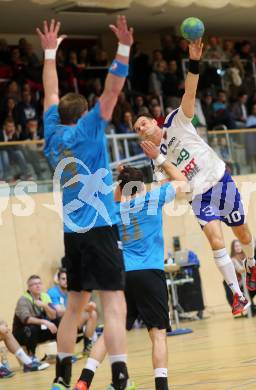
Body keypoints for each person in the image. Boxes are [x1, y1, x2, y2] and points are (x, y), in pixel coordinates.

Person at [37, 17, 135, 390]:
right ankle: (120, 377)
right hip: (100, 228)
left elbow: (50, 92)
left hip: (72, 233)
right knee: (114, 305)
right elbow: (111, 91)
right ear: (83, 116)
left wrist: (49, 53)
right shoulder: (87, 129)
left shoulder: (52, 132)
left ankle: (62, 379)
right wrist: (123, 48)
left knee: (75, 307)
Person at [133, 38, 256, 316]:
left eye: (142, 122)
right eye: (136, 129)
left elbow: (190, 90)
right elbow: (175, 187)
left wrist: (194, 60)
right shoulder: (156, 160)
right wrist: (145, 187)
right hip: (199, 196)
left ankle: (251, 263)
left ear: (154, 121)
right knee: (215, 240)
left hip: (220, 181)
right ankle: (237, 296)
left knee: (243, 232)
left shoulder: (177, 119)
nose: (141, 128)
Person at [72, 154, 187, 390]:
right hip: (150, 273)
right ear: (142, 185)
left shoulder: (113, 209)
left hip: (124, 277)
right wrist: (159, 157)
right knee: (158, 334)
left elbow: (116, 196)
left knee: (111, 333)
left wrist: (121, 179)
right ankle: (161, 386)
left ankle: (85, 379)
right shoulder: (153, 198)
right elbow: (181, 180)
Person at [48, 269, 98, 355]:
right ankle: (67, 352)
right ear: (58, 280)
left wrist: (89, 306)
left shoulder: (73, 291)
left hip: (73, 318)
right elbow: (59, 312)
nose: (66, 281)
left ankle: (87, 345)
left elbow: (82, 305)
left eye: (68, 279)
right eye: (63, 279)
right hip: (58, 322)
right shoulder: (53, 292)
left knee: (92, 314)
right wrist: (82, 308)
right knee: (71, 318)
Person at [12, 275, 59, 360]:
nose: (38, 286)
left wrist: (45, 305)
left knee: (59, 322)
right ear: (29, 288)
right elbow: (26, 319)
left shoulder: (44, 296)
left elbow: (53, 316)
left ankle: (63, 355)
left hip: (38, 331)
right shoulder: (23, 300)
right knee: (31, 328)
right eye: (34, 284)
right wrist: (45, 322)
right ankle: (32, 358)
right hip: (21, 333)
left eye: (39, 283)